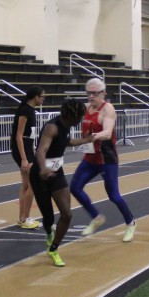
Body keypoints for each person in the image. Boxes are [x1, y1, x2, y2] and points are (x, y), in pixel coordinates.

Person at [70, 77, 137, 243]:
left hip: (106, 159)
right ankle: (96, 217)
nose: (91, 96)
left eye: (94, 93)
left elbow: (107, 133)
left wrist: (92, 137)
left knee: (114, 196)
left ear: (103, 93)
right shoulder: (86, 108)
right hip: (90, 158)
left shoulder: (108, 109)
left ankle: (130, 223)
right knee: (75, 187)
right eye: (88, 93)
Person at [30, 99, 92, 267]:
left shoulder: (66, 126)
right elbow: (41, 149)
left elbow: (67, 141)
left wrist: (85, 140)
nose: (81, 119)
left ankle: (53, 249)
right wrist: (43, 168)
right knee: (48, 218)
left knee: (67, 214)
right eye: (80, 116)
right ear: (71, 116)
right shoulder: (52, 127)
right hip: (40, 175)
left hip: (57, 173)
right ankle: (48, 231)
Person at [10, 86, 46, 229]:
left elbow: (28, 136)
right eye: (42, 96)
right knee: (32, 184)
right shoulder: (25, 110)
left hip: (27, 147)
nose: (43, 99)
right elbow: (19, 136)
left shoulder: (31, 110)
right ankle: (25, 218)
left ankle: (22, 218)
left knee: (26, 184)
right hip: (22, 149)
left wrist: (33, 150)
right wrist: (24, 158)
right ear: (35, 96)